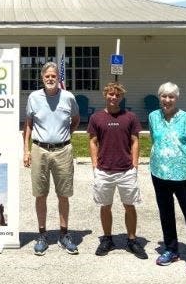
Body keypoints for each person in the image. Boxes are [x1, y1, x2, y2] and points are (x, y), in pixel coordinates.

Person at [23, 61, 80, 256]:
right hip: (39, 149)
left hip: (63, 150)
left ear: (58, 78)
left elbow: (76, 119)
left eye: (53, 76)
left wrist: (66, 135)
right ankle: (42, 234)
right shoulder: (33, 98)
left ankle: (64, 234)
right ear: (42, 78)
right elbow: (28, 125)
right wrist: (26, 150)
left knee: (63, 194)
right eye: (47, 76)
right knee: (40, 194)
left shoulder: (68, 97)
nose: (50, 79)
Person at [148, 82, 186, 274]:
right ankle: (171, 249)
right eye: (164, 96)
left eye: (171, 96)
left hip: (184, 175)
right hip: (159, 173)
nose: (167, 100)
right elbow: (154, 140)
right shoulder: (153, 117)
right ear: (159, 98)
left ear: (177, 98)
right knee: (166, 213)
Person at [87, 82, 148, 259]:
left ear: (121, 97)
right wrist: (94, 163)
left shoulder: (130, 117)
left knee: (129, 206)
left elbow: (135, 141)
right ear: (105, 95)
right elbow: (92, 141)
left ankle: (132, 240)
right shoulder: (96, 118)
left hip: (126, 170)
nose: (114, 97)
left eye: (117, 95)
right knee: (105, 206)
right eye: (111, 94)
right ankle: (107, 239)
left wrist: (135, 164)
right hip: (104, 170)